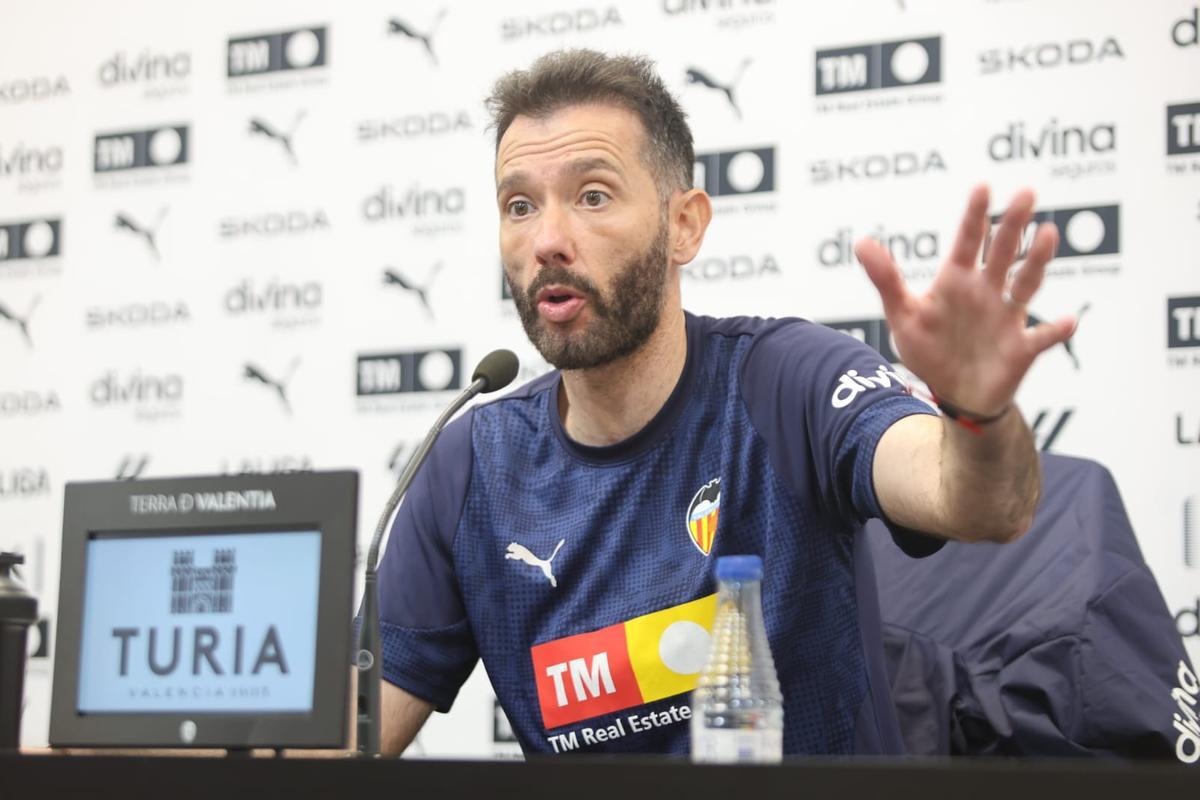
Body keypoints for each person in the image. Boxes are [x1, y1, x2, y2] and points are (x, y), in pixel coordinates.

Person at [374, 49, 1077, 756]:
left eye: (592, 195)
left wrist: (977, 412)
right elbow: (353, 735)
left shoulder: (787, 381)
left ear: (685, 224)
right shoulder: (472, 464)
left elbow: (978, 504)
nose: (548, 241)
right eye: (519, 206)